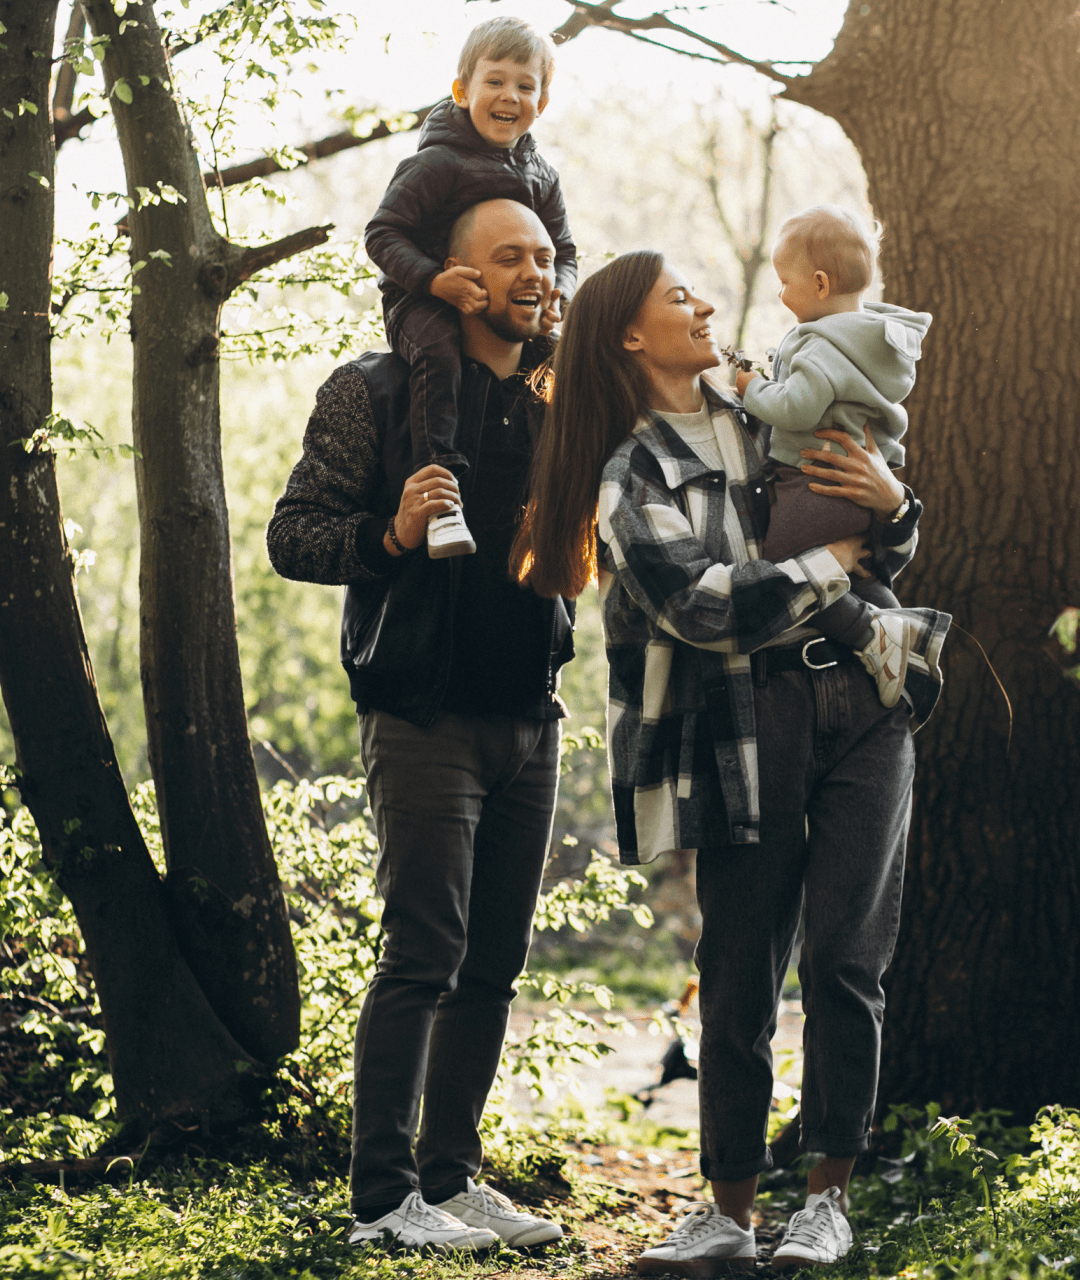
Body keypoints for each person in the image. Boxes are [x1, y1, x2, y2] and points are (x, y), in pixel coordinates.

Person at [512, 250, 949, 1273]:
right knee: (739, 965)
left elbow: (878, 541)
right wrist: (826, 562)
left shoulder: (773, 403)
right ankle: (728, 1213)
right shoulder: (634, 472)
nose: (705, 303)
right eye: (678, 296)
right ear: (630, 334)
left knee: (847, 956)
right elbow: (702, 606)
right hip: (738, 720)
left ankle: (827, 1201)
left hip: (864, 699)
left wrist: (891, 503)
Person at [267, 199, 573, 1256]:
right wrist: (389, 532)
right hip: (422, 713)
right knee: (425, 949)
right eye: (508, 257)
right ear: (455, 276)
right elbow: (292, 533)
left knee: (493, 960)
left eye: (543, 254)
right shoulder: (375, 387)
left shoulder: (557, 395)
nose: (533, 272)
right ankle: (382, 1200)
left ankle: (452, 1177)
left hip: (534, 712)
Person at [365, 15, 577, 559]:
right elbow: (383, 234)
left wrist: (561, 294)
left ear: (542, 102)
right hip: (421, 299)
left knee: (563, 364)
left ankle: (564, 499)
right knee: (438, 353)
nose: (510, 96)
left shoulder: (542, 176)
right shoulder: (437, 163)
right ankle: (442, 499)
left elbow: (567, 252)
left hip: (508, 310)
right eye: (496, 81)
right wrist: (434, 280)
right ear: (462, 91)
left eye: (525, 86)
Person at [734, 204, 948, 708]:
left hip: (817, 485)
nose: (780, 293)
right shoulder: (865, 337)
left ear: (821, 283)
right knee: (859, 576)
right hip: (854, 489)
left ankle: (871, 635)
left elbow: (796, 406)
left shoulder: (824, 346)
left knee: (786, 570)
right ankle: (893, 623)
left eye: (785, 281)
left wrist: (751, 386)